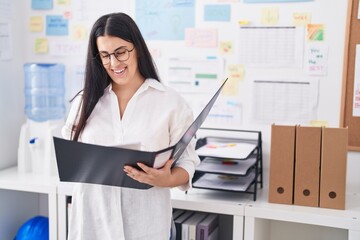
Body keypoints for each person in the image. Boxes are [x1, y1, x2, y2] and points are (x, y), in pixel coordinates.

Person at [61, 12, 200, 240]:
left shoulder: (170, 102)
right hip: (92, 225)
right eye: (104, 55)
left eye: (120, 52)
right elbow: (71, 156)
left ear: (137, 48)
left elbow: (188, 164)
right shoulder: (84, 103)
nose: (114, 63)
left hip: (146, 227)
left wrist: (166, 179)